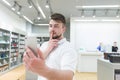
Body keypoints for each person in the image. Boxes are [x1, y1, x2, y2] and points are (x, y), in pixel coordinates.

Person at [23, 13, 77, 80]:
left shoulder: (68, 48)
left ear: (63, 29)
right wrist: (48, 49)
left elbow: (68, 76)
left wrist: (43, 70)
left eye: (56, 26)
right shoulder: (45, 44)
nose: (52, 29)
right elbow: (38, 61)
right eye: (50, 26)